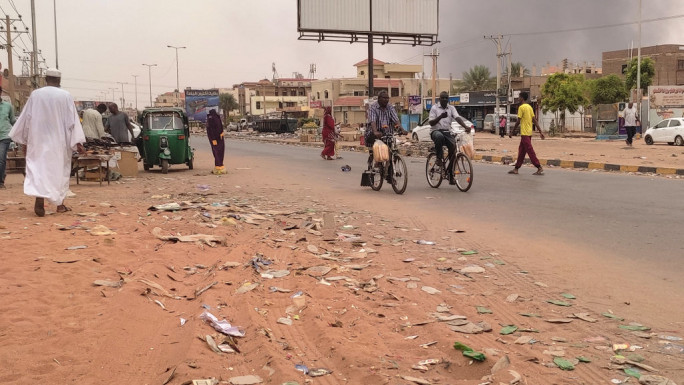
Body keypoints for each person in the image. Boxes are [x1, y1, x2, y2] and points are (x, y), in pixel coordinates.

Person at [9, 68, 86, 216]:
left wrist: (25, 142)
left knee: (39, 169)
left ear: (46, 79)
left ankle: (39, 197)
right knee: (59, 171)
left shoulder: (36, 95)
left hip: (38, 140)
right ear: (59, 81)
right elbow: (72, 122)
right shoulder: (65, 96)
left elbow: (26, 119)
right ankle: (60, 204)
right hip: (59, 141)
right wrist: (78, 142)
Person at [428, 91, 470, 184]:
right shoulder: (434, 108)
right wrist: (440, 117)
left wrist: (465, 126)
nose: (444, 99)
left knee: (453, 150)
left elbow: (457, 118)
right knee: (439, 137)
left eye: (446, 98)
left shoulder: (451, 108)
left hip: (447, 132)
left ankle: (450, 175)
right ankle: (439, 158)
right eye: (443, 98)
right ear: (439, 99)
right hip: (436, 131)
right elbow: (431, 123)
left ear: (448, 99)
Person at [509, 91, 544, 175]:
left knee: (530, 150)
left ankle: (539, 167)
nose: (518, 98)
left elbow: (518, 121)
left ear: (522, 98)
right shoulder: (529, 107)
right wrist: (540, 131)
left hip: (524, 133)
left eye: (519, 97)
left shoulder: (521, 107)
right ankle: (516, 168)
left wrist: (512, 132)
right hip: (528, 132)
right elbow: (534, 120)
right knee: (521, 151)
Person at [0, 86, 17, 189]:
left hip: (4, 136)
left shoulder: (8, 106)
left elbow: (13, 121)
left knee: (1, 158)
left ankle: (0, 182)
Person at [206, 109, 226, 174]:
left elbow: (210, 130)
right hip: (219, 138)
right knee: (219, 152)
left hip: (216, 138)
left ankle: (219, 166)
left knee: (217, 152)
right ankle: (219, 166)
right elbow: (218, 127)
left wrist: (213, 139)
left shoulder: (210, 119)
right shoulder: (216, 117)